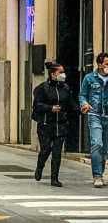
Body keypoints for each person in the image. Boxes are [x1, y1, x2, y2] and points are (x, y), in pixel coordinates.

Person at [34, 60, 75, 187]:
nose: (63, 74)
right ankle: (40, 167)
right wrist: (50, 108)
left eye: (63, 72)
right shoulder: (42, 88)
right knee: (46, 149)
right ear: (53, 74)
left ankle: (54, 178)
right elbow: (37, 105)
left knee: (57, 152)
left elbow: (71, 103)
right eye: (60, 72)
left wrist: (80, 109)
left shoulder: (66, 88)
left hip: (60, 124)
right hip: (46, 124)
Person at [80, 52, 108, 187]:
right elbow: (82, 95)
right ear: (100, 64)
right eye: (107, 63)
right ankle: (97, 175)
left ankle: (101, 173)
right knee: (97, 144)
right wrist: (84, 103)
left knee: (105, 148)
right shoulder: (89, 78)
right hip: (95, 115)